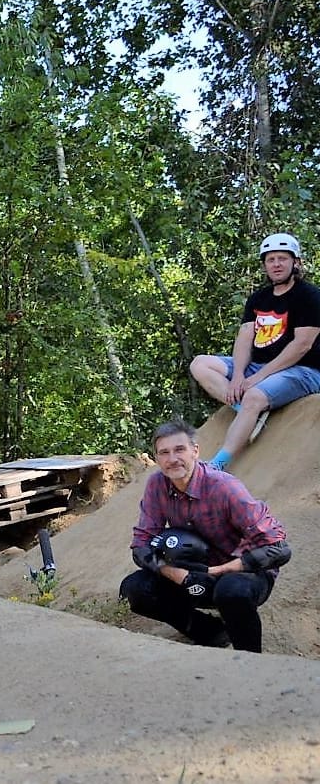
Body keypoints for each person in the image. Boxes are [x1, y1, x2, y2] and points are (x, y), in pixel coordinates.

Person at [119, 419, 289, 653]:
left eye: (180, 449)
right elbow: (141, 545)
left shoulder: (224, 487)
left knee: (231, 591)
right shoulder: (157, 485)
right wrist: (179, 575)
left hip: (242, 571)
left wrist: (221, 571)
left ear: (195, 451)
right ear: (157, 459)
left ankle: (250, 660)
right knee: (136, 589)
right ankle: (211, 633)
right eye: (164, 453)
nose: (172, 459)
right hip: (193, 573)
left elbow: (279, 548)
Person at [189, 232, 320, 471]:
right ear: (264, 265)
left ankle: (217, 466)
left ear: (296, 262)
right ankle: (247, 412)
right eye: (271, 259)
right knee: (200, 364)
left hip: (303, 370)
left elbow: (302, 345)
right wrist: (238, 375)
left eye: (282, 258)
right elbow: (245, 337)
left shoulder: (310, 295)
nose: (276, 264)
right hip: (258, 366)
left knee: (254, 396)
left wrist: (257, 378)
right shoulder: (258, 298)